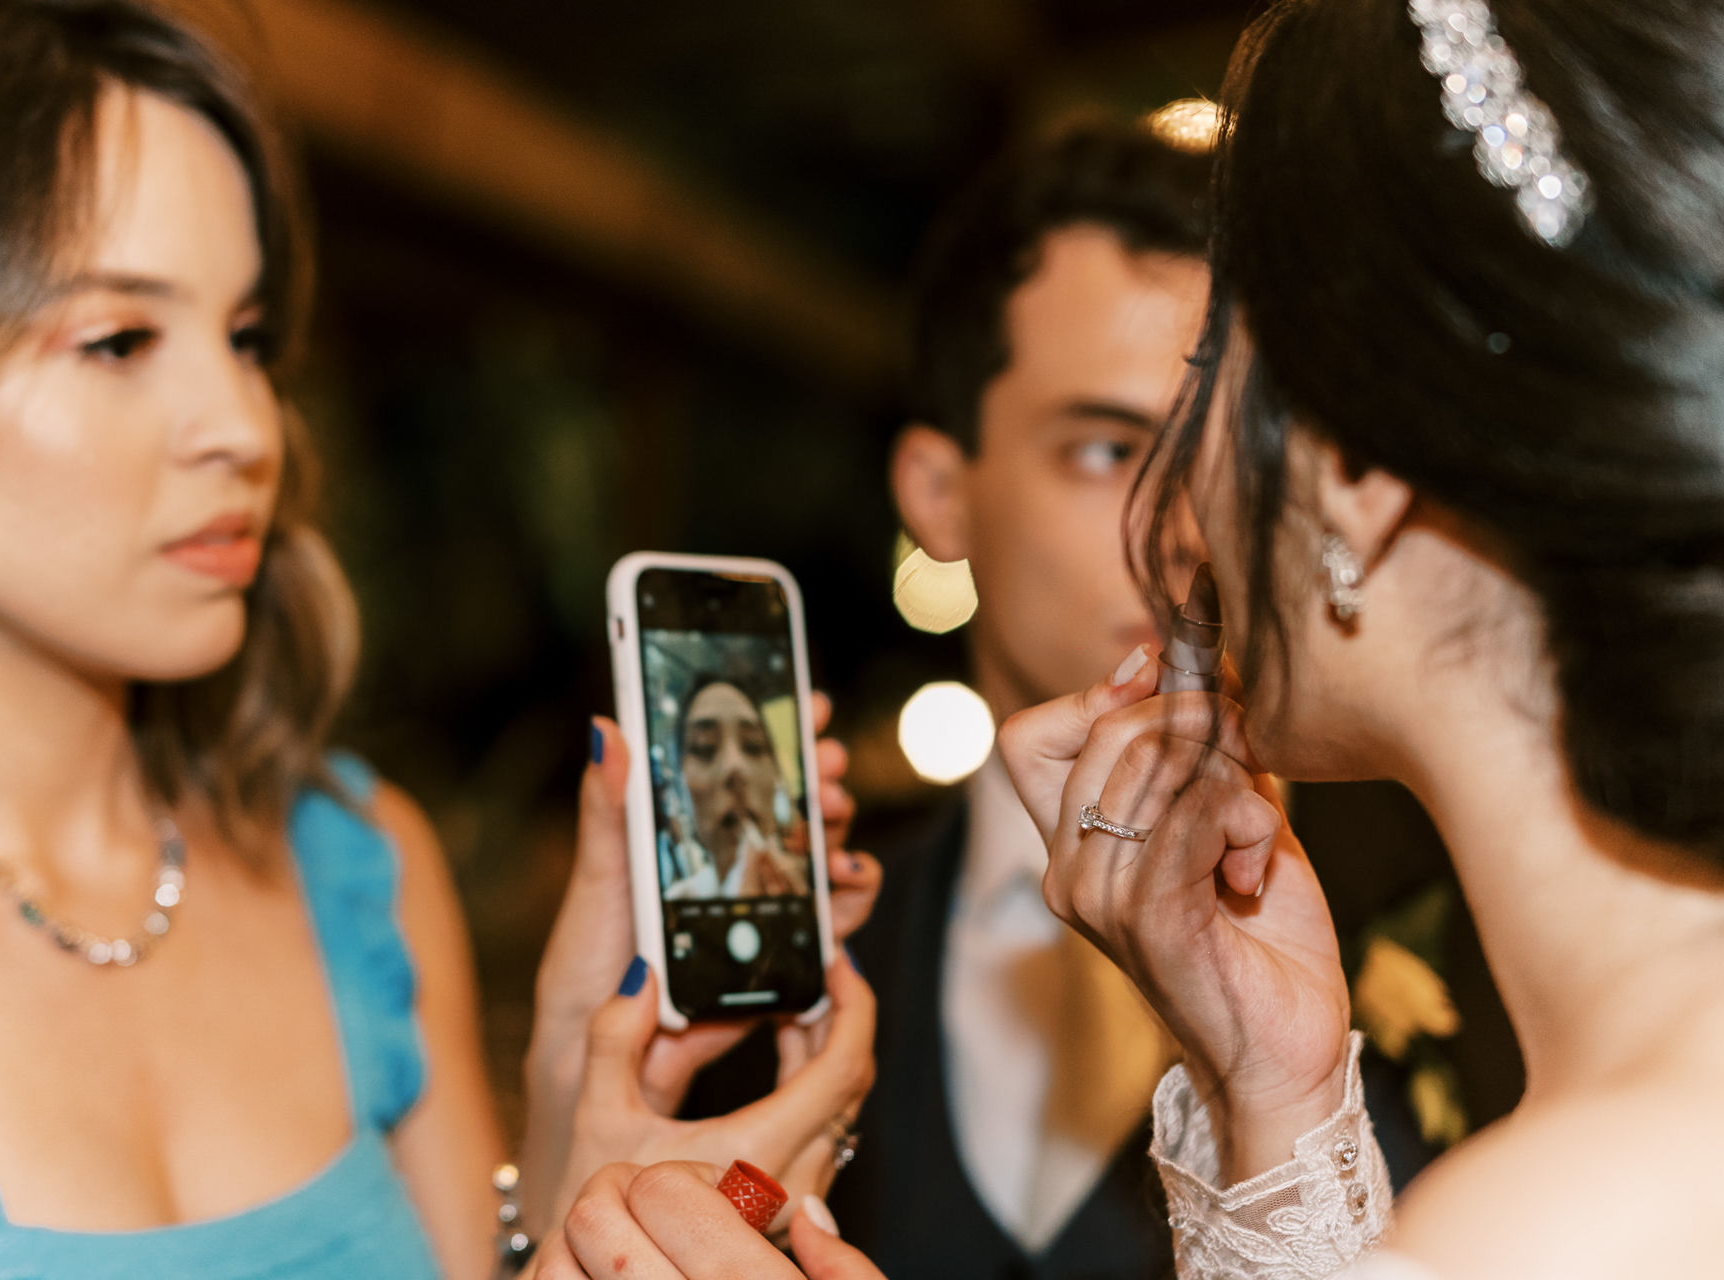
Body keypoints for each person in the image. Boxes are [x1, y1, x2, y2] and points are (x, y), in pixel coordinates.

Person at [547, 0, 1724, 1275]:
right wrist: (1274, 1093)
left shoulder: (1566, 1220)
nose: (1168, 517)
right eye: (1105, 444)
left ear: (1357, 463)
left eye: (1218, 363)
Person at [0, 4, 879, 1277]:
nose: (244, 425)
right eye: (119, 338)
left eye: (247, 338)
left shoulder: (356, 860)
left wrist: (579, 1130)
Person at [692, 116, 1487, 1280]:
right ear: (938, 492)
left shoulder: (1468, 909)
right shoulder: (793, 964)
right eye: (1109, 451)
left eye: (1226, 452)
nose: (1184, 528)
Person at [665, 678, 812, 901]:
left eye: (753, 745)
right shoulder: (676, 904)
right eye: (704, 747)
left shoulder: (813, 893)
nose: (735, 766)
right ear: (679, 788)